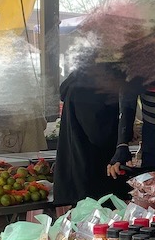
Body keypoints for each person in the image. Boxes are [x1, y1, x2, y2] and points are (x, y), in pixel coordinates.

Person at [55, 61, 130, 207]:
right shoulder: (89, 90)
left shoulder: (82, 83)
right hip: (92, 180)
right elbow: (99, 135)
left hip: (84, 177)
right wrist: (123, 135)